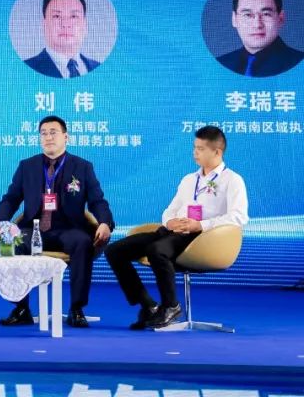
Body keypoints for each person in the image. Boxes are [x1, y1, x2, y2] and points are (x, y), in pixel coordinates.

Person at [105, 126, 248, 329]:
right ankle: (148, 305)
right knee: (115, 251)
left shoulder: (232, 180)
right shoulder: (189, 179)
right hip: (172, 232)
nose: (195, 152)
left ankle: (171, 305)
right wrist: (170, 222)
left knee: (157, 250)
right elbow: (169, 210)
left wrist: (200, 225)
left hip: (202, 237)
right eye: (194, 147)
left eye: (200, 149)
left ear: (217, 152)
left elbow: (238, 216)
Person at [0, 115, 113, 328]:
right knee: (15, 241)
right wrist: (1, 223)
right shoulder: (27, 166)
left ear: (66, 137)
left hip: (68, 228)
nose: (48, 137)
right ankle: (21, 308)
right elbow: (11, 198)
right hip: (34, 228)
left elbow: (97, 201)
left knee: (82, 242)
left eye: (53, 132)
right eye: (43, 133)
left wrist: (105, 222)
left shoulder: (82, 167)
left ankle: (76, 308)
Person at [216, 0, 304, 76]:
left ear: (280, 18)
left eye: (266, 14)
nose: (257, 24)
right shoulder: (221, 63)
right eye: (248, 15)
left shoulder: (298, 63)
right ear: (234, 19)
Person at [24, 0, 101, 78]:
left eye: (73, 16)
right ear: (44, 24)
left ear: (85, 25)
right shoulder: (25, 69)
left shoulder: (99, 68)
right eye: (56, 16)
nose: (65, 24)